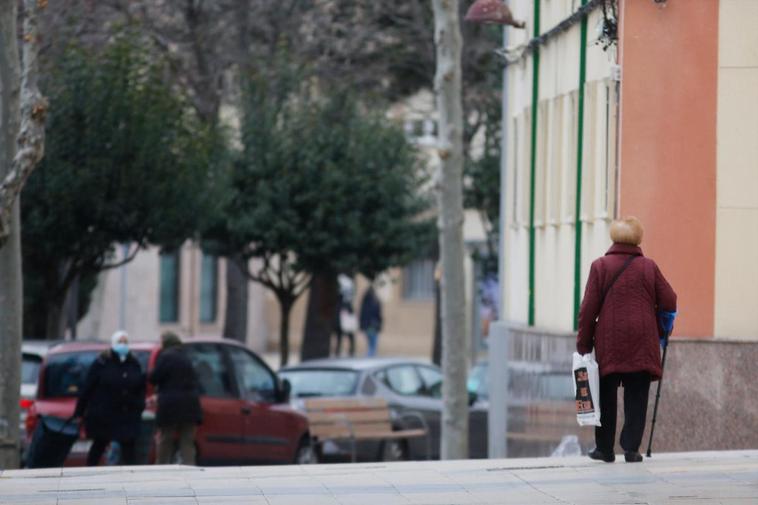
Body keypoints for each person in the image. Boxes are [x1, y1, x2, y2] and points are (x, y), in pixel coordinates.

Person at [577, 217, 677, 463]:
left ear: (613, 238)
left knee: (606, 394)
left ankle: (605, 449)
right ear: (638, 239)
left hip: (609, 340)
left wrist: (583, 343)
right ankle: (631, 449)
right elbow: (670, 300)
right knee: (637, 394)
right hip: (643, 339)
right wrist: (659, 324)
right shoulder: (649, 267)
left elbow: (588, 309)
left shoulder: (600, 266)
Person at [74, 330, 146, 466]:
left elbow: (140, 387)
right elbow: (88, 388)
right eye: (120, 342)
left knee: (129, 448)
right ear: (113, 343)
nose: (123, 345)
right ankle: (89, 471)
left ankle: (133, 476)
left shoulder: (134, 363)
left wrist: (139, 406)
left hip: (127, 414)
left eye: (125, 342)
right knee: (99, 444)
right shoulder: (102, 362)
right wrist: (79, 411)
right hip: (105, 414)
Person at [149, 332, 202, 465]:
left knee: (166, 438)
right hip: (190, 404)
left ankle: (161, 467)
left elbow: (154, 378)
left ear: (166, 343)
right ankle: (190, 468)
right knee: (187, 441)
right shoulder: (187, 356)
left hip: (170, 404)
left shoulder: (166, 356)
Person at [333, 274, 357, 357]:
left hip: (343, 318)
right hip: (342, 318)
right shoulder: (344, 301)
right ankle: (344, 351)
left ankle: (348, 351)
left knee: (345, 335)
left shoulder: (343, 301)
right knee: (343, 335)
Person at [359, 285, 383, 357]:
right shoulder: (375, 302)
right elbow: (378, 315)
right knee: (373, 343)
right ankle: (371, 355)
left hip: (368, 325)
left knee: (370, 342)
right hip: (373, 325)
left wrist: (362, 325)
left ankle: (370, 355)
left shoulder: (365, 302)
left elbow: (362, 315)